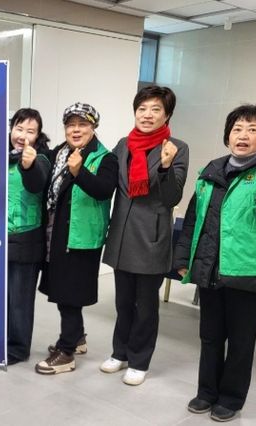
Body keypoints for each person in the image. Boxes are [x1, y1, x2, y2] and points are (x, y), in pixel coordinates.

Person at [173, 101, 256, 422]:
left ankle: (231, 398)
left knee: (241, 342)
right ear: (227, 135)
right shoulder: (212, 170)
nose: (243, 135)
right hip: (212, 268)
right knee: (210, 336)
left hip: (251, 271)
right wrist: (183, 258)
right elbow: (194, 218)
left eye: (253, 129)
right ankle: (206, 391)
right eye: (237, 129)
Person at [102, 85, 189, 386]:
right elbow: (109, 182)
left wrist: (165, 166)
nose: (147, 115)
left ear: (167, 115)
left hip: (151, 238)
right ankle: (120, 352)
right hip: (122, 237)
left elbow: (172, 196)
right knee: (123, 302)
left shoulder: (176, 147)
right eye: (142, 109)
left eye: (155, 110)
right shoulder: (123, 144)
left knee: (145, 306)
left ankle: (139, 360)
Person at [35, 103, 118, 374]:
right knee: (62, 290)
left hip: (81, 237)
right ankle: (78, 337)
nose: (76, 130)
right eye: (71, 125)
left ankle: (67, 352)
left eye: (83, 124)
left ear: (93, 127)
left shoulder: (105, 158)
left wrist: (79, 171)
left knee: (70, 294)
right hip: (57, 232)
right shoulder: (60, 152)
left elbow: (104, 190)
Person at [4, 108, 51, 365]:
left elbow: (37, 183)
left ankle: (18, 349)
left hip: (26, 239)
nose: (23, 136)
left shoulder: (40, 158)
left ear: (38, 135)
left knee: (20, 301)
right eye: (19, 128)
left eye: (30, 131)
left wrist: (28, 164)